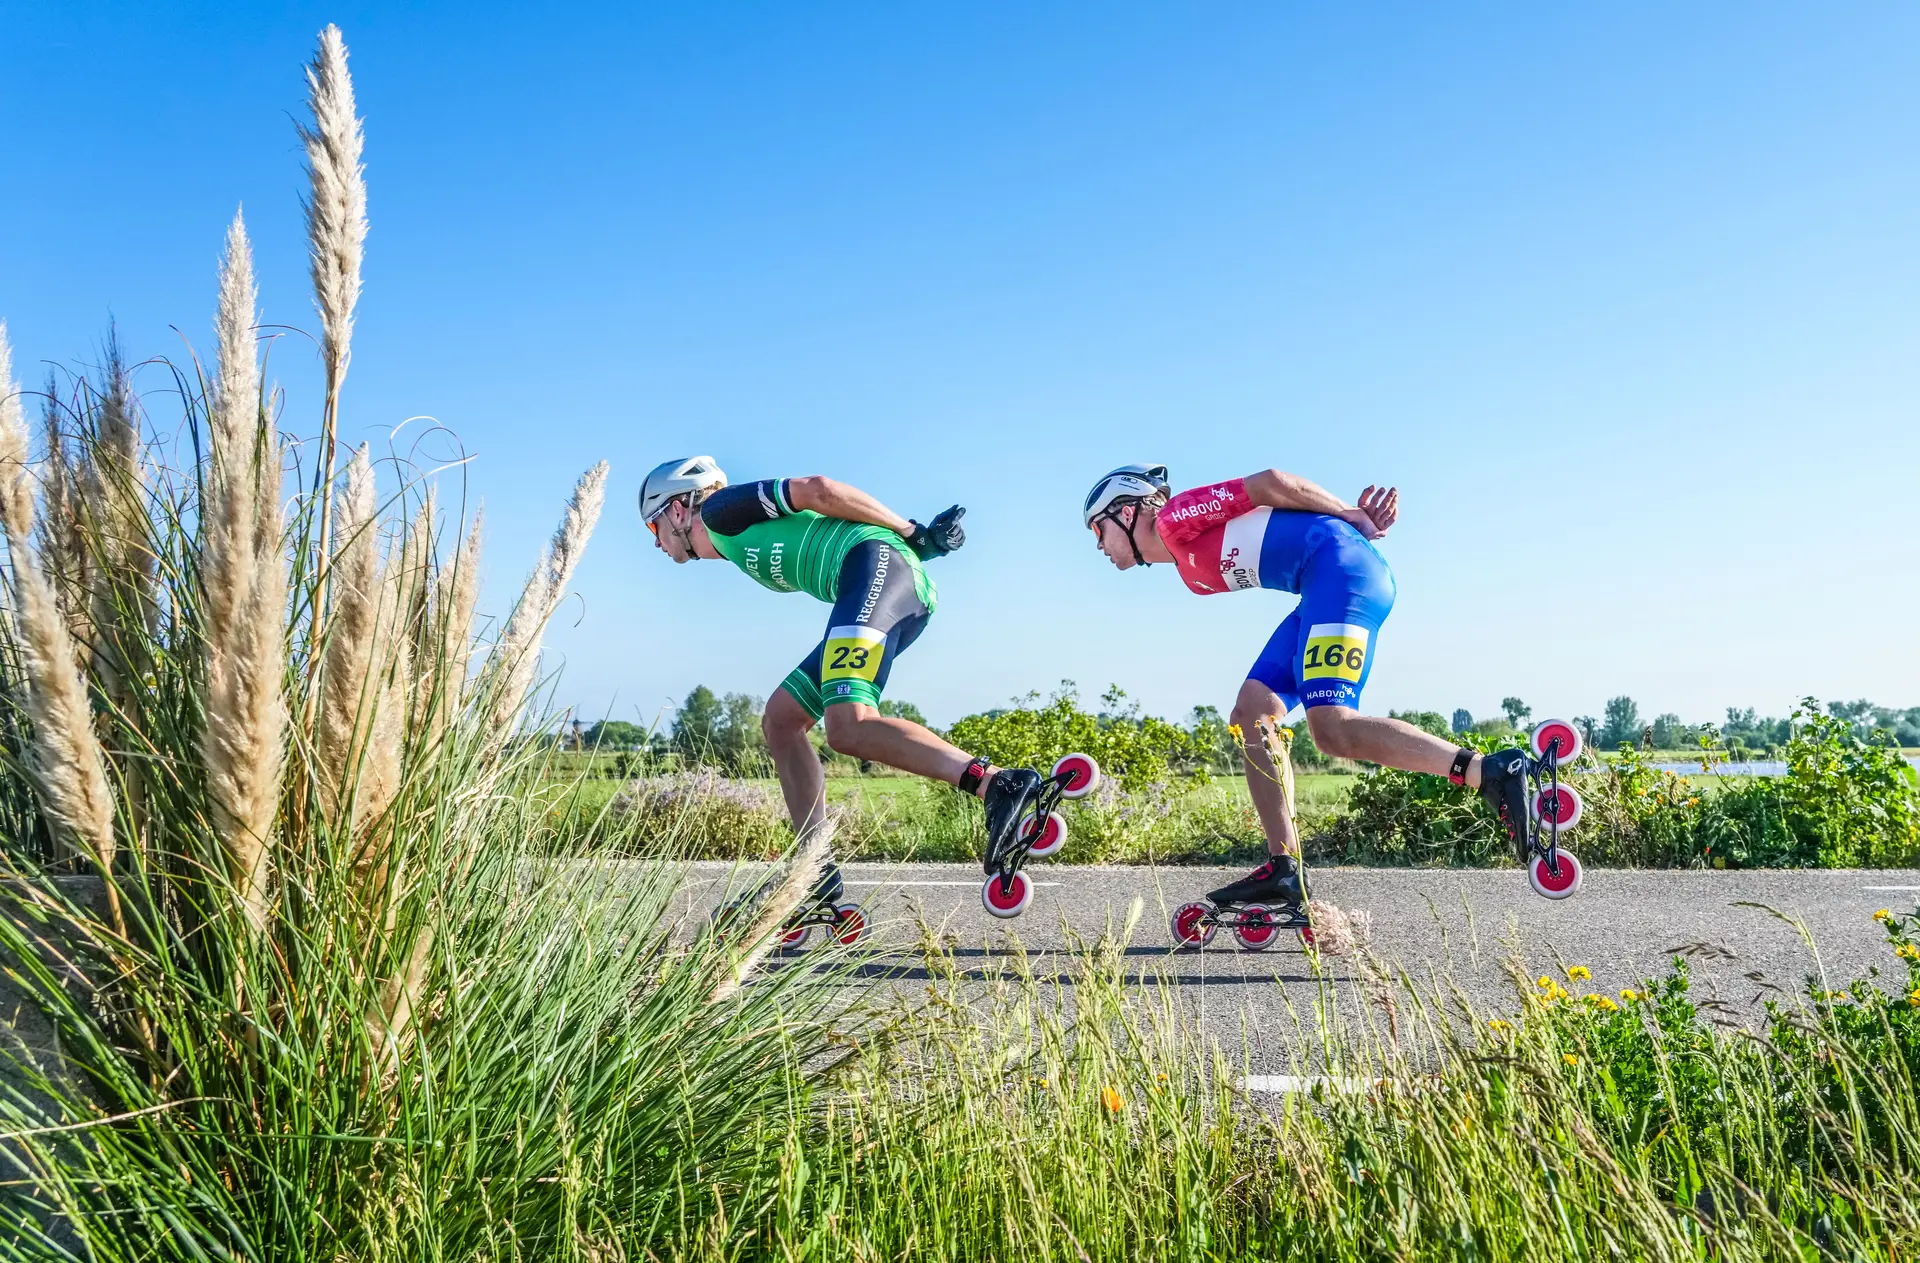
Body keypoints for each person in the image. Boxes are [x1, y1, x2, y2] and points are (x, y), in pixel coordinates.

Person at [1082, 464, 1543, 912]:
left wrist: (1351, 514)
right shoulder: (1189, 571)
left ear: (1125, 512)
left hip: (1344, 576)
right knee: (1252, 715)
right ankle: (1283, 865)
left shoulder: (1170, 517)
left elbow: (1269, 483)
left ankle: (1489, 771)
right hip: (1321, 586)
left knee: (1332, 728)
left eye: (1097, 529)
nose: (1097, 543)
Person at [641, 456, 1054, 908]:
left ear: (679, 510)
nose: (655, 542)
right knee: (781, 721)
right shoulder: (729, 539)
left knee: (848, 725)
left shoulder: (719, 510)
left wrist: (912, 532)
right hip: (878, 580)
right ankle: (812, 864)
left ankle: (997, 784)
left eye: (652, 526)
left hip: (877, 572)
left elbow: (817, 488)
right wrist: (922, 543)